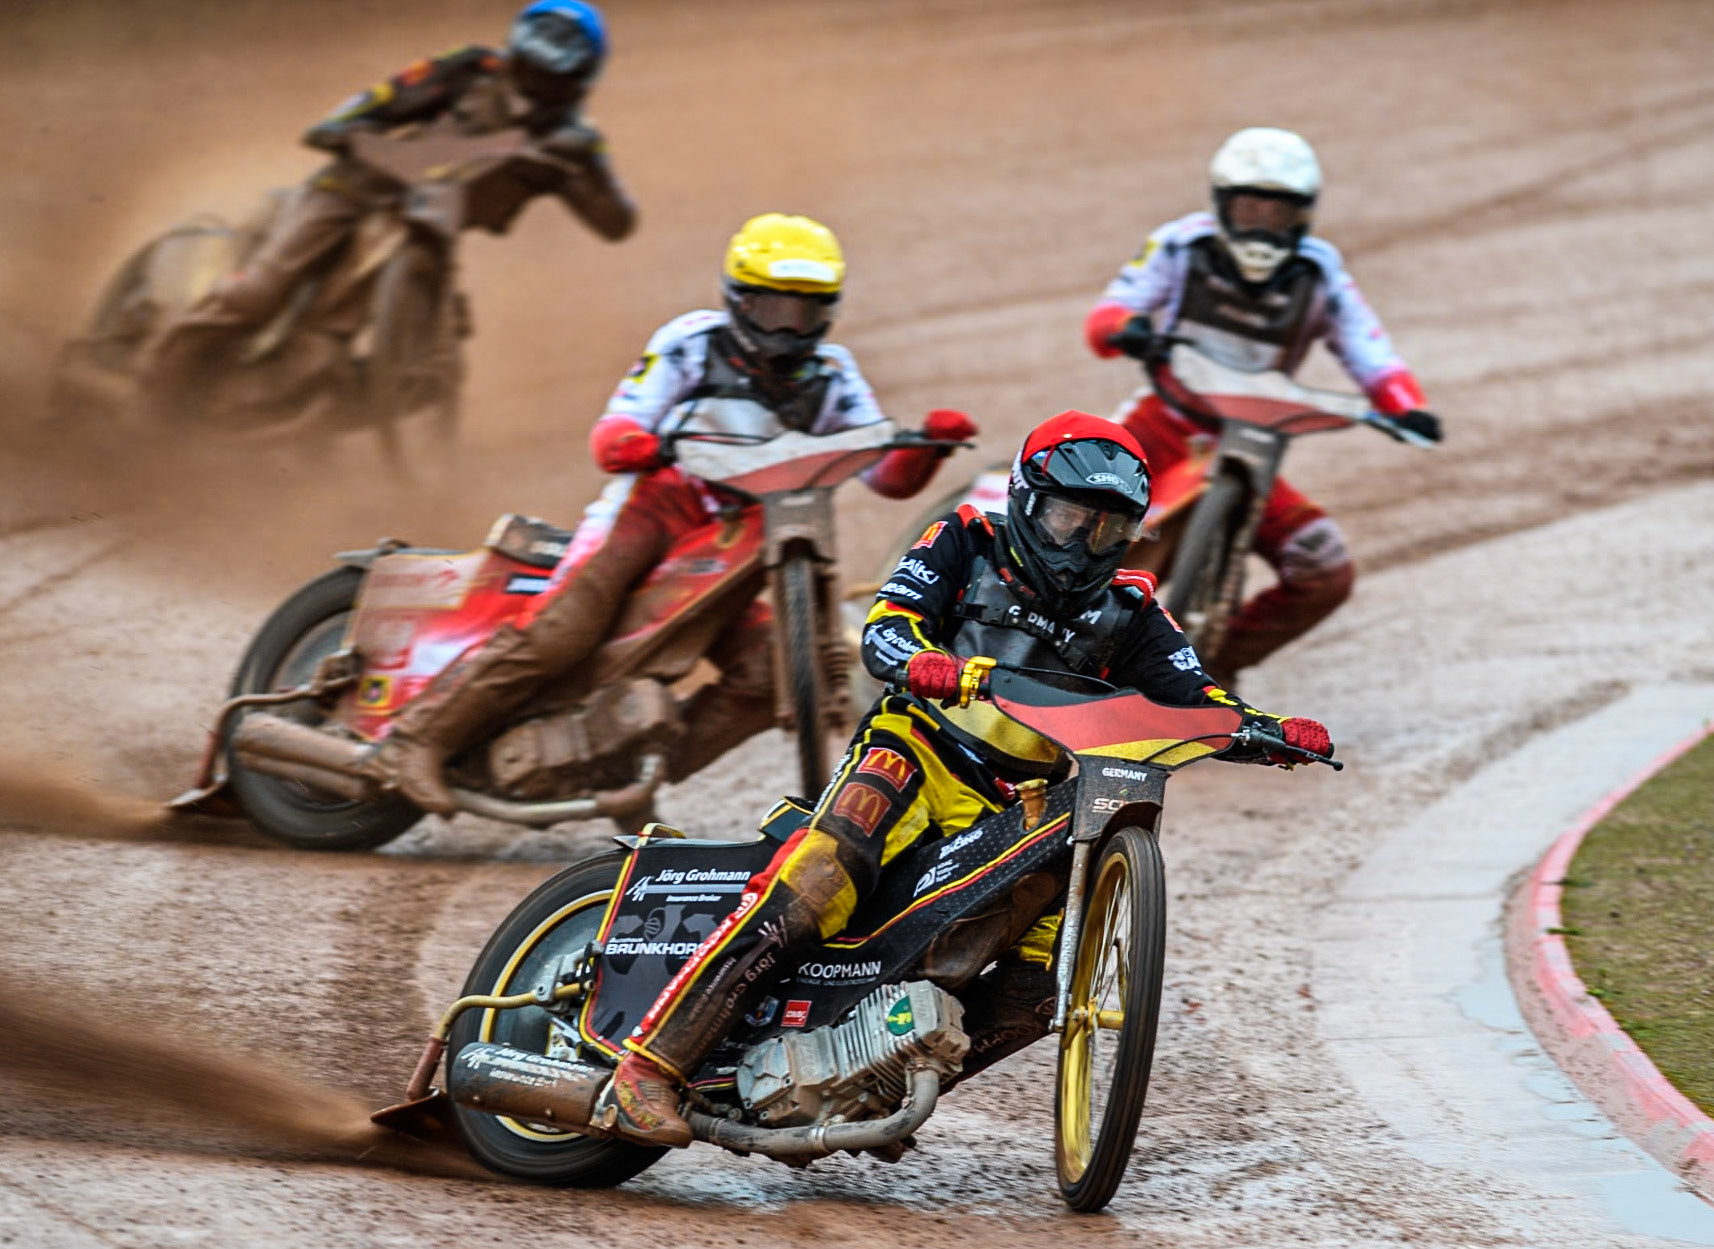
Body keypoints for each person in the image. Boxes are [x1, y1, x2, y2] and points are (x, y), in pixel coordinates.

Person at [598, 410, 1334, 1147]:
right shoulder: (964, 541)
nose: (1083, 544)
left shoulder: (1133, 609)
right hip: (914, 748)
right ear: (1025, 497)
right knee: (818, 879)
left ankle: (879, 1080)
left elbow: (1195, 700)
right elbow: (887, 624)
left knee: (1033, 993)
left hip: (1023, 804)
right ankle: (648, 1066)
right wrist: (923, 659)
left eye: (1108, 529)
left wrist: (1266, 730)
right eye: (1070, 516)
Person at [359, 212, 979, 814]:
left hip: (746, 540)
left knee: (774, 675)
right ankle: (414, 742)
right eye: (773, 309)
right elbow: (620, 424)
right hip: (656, 508)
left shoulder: (833, 374)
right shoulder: (690, 343)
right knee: (562, 632)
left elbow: (879, 471)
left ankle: (626, 761)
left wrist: (926, 448)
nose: (789, 330)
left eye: (806, 312)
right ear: (737, 298)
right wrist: (630, 440)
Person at [140, 0, 636, 421]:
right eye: (531, 71)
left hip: (429, 228)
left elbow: (617, 223)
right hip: (349, 193)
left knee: (432, 335)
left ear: (576, 83)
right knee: (263, 291)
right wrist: (347, 129)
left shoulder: (576, 141)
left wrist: (586, 173)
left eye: (551, 81)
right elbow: (371, 104)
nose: (535, 88)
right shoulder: (468, 69)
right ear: (515, 56)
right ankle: (153, 401)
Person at [1083, 126, 1444, 687]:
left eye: (1276, 212)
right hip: (1155, 429)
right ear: (1222, 202)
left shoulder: (1320, 272)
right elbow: (1109, 315)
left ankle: (1207, 670)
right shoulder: (1181, 243)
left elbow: (1369, 351)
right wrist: (1127, 329)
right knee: (1071, 529)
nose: (1260, 224)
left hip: (1248, 448)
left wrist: (1404, 405)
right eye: (1248, 207)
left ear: (1302, 215)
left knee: (1324, 569)